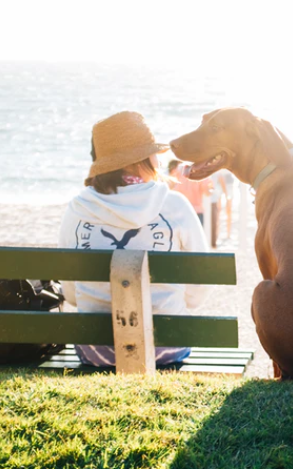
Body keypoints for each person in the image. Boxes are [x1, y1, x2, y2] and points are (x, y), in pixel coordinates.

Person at [58, 111, 209, 367]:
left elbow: (71, 295)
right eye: (154, 153)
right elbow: (199, 289)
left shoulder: (78, 208)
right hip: (166, 345)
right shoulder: (174, 204)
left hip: (96, 349)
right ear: (144, 159)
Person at [170, 159, 212, 224]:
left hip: (181, 211)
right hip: (196, 212)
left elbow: (171, 185)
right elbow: (207, 192)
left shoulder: (180, 168)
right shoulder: (202, 170)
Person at [209, 168, 235, 247]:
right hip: (219, 184)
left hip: (228, 183)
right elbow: (219, 176)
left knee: (228, 210)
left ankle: (228, 233)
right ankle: (218, 233)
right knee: (218, 211)